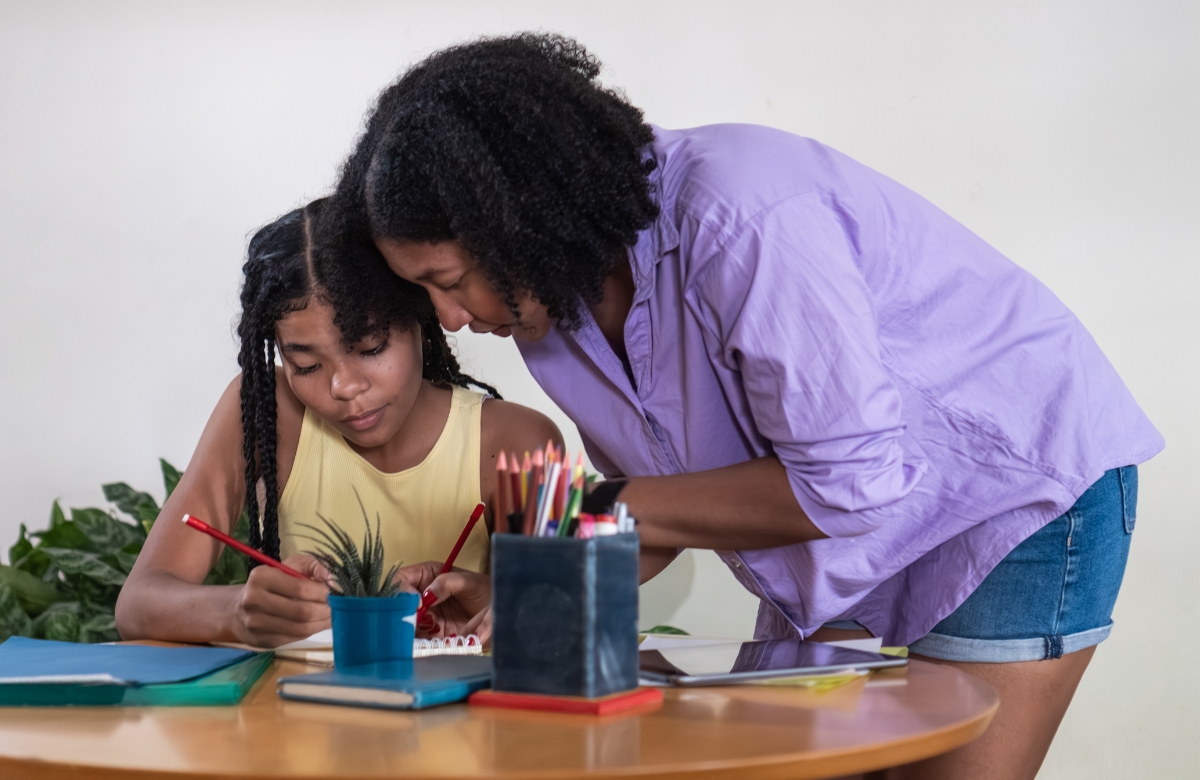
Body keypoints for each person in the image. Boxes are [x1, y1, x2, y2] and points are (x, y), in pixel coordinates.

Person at [319, 34, 1164, 778]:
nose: (453, 321)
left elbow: (843, 484)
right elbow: (661, 520)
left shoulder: (743, 212)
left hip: (1012, 496)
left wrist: (590, 509)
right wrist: (531, 583)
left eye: (448, 282)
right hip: (849, 539)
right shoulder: (547, 315)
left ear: (520, 219)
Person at [115, 198, 559, 648]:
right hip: (291, 715)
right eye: (305, 365)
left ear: (422, 316)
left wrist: (504, 604)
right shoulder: (268, 408)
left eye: (370, 348)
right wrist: (235, 612)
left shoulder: (516, 442)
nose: (344, 386)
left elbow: (557, 625)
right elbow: (139, 603)